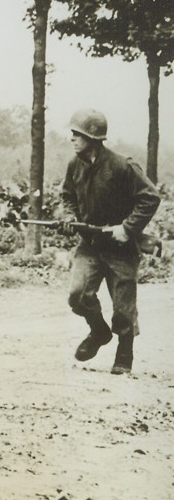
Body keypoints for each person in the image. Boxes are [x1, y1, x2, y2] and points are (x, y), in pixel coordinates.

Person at [59, 108, 161, 375]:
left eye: (77, 134)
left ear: (92, 138)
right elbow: (67, 196)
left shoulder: (122, 165)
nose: (72, 139)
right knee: (77, 295)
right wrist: (70, 218)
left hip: (121, 248)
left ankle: (124, 354)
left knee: (123, 308)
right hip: (90, 244)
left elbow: (150, 197)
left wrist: (127, 228)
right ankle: (99, 332)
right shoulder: (74, 165)